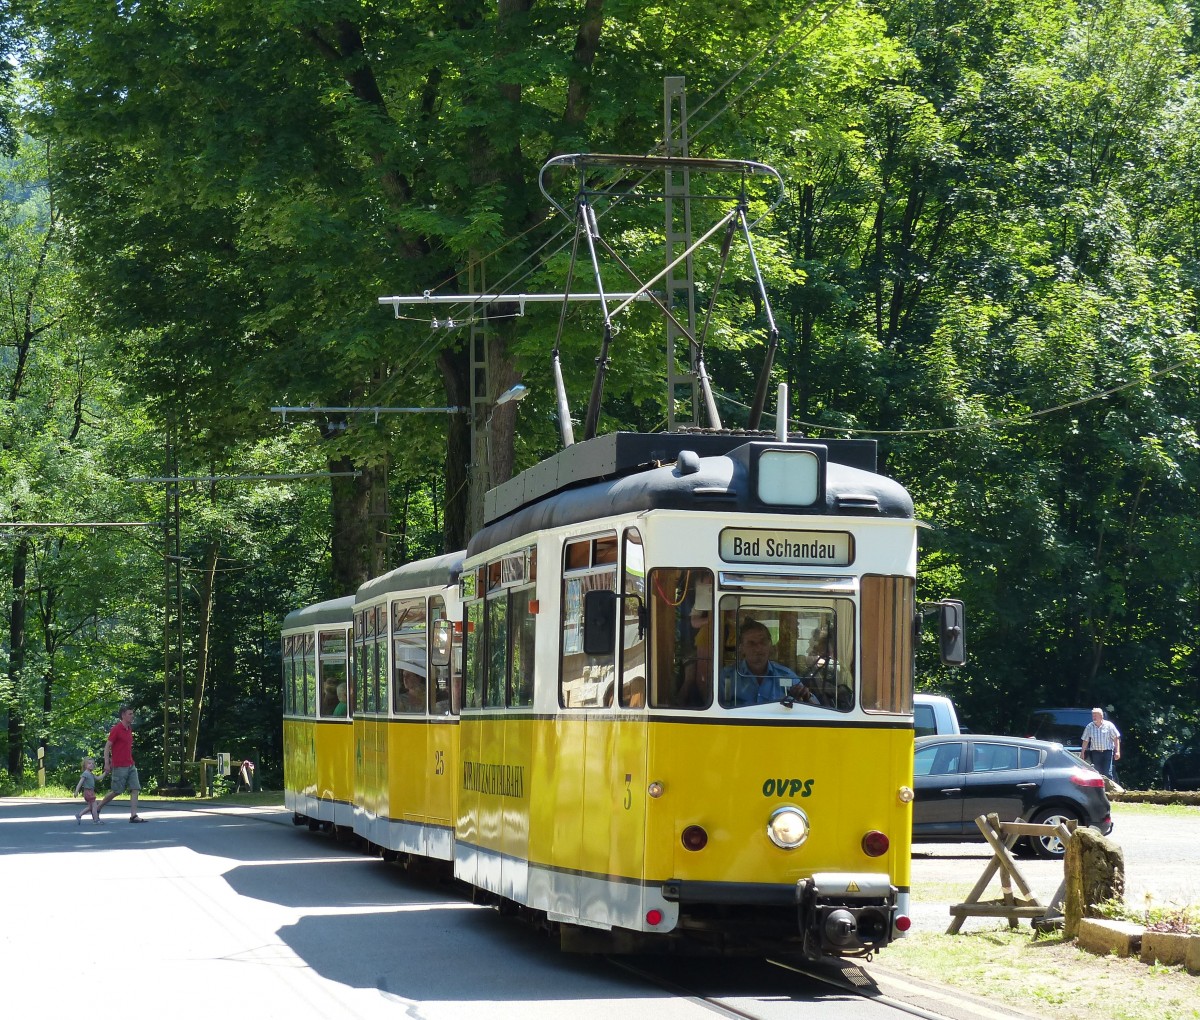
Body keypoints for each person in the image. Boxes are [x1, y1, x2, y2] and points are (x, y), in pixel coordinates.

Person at [721, 619, 820, 707]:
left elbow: (817, 710)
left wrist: (807, 696)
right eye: (751, 643)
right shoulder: (727, 676)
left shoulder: (785, 675)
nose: (758, 649)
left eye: (763, 642)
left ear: (770, 646)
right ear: (741, 648)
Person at [96, 706, 146, 823]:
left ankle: (133, 816)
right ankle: (98, 807)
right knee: (117, 791)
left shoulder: (129, 729)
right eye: (130, 714)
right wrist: (107, 763)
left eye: (132, 713)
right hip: (119, 766)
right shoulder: (116, 729)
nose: (132, 716)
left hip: (130, 764)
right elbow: (107, 747)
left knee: (135, 788)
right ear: (123, 715)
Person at [1081, 707, 1121, 781]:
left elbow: (1116, 738)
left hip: (1107, 752)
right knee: (1097, 773)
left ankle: (1109, 787)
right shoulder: (1089, 726)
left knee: (1107, 772)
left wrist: (1117, 751)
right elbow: (1085, 740)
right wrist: (1082, 752)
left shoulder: (1109, 725)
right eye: (1093, 715)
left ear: (1101, 716)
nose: (1094, 717)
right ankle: (1099, 788)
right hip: (1096, 753)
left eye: (1095, 715)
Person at [73, 756, 102, 825]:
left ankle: (79, 815)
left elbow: (98, 778)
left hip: (91, 792)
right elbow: (80, 783)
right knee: (94, 806)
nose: (91, 765)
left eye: (93, 763)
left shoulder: (91, 774)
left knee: (90, 807)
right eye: (89, 763)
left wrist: (105, 773)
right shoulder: (85, 774)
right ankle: (96, 820)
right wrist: (76, 791)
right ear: (85, 765)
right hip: (88, 792)